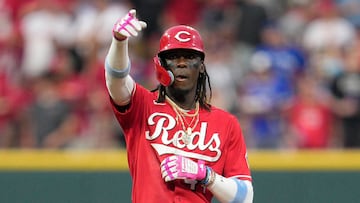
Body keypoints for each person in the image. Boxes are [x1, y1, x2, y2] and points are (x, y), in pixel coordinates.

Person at [104, 9, 253, 203]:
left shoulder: (226, 123)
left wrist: (206, 175)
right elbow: (117, 82)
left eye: (189, 57)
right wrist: (119, 42)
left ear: (201, 66)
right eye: (173, 57)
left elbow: (245, 197)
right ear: (161, 65)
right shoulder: (143, 105)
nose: (181, 63)